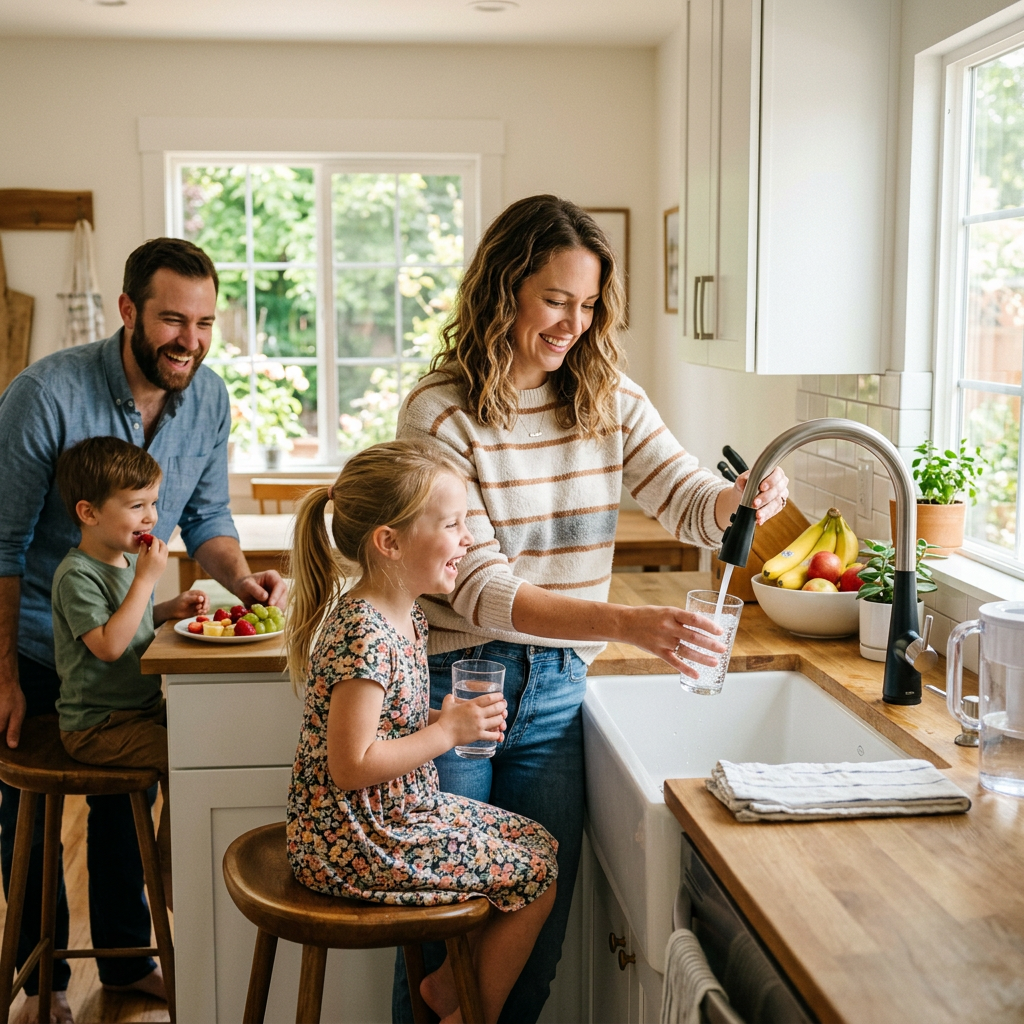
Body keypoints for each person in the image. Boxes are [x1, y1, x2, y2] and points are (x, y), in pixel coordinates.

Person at [393, 195, 789, 1023]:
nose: (572, 322)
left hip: (559, 689)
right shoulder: (441, 411)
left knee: (530, 951)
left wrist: (737, 497)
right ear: (503, 289)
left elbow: (685, 497)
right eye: (553, 299)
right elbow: (479, 588)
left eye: (588, 304)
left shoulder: (608, 395)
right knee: (444, 938)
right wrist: (628, 623)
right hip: (457, 684)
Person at [0, 237, 286, 1023]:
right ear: (128, 311)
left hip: (129, 656)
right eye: (170, 319)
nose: (188, 340)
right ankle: (43, 984)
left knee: (128, 799)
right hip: (32, 639)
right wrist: (0, 677)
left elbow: (208, 518)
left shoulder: (212, 397)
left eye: (203, 322)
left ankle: (128, 963)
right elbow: (2, 544)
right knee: (28, 817)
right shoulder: (45, 395)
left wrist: (240, 577)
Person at [285, 440, 558, 1024]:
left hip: (398, 814)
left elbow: (389, 727)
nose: (466, 539)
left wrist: (444, 722)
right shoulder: (362, 631)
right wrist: (448, 732)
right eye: (454, 524)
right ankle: (466, 1014)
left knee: (541, 849)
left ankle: (444, 991)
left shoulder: (405, 613)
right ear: (390, 542)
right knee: (535, 877)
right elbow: (351, 765)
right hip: (354, 840)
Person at [52, 436, 208, 906]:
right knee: (180, 758)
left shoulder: (120, 561)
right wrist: (146, 580)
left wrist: (165, 609)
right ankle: (168, 877)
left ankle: (185, 865)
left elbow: (130, 619)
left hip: (136, 711)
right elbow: (108, 645)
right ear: (89, 513)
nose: (150, 517)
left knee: (203, 737)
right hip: (97, 725)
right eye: (136, 505)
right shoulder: (77, 574)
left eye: (153, 503)